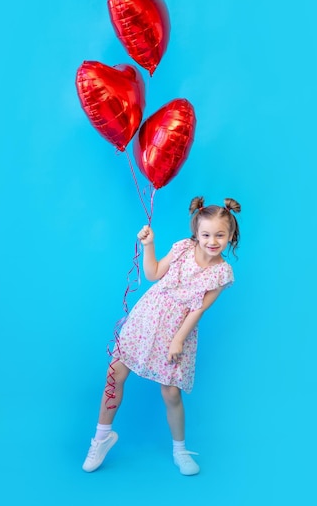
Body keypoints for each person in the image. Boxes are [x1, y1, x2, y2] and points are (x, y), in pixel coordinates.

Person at [82, 195, 241, 476]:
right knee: (115, 372)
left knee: (170, 392)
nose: (212, 241)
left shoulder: (221, 273)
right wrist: (148, 245)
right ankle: (101, 436)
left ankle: (180, 450)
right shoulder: (182, 248)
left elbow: (199, 310)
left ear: (230, 236)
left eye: (220, 235)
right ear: (196, 233)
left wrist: (178, 339)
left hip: (178, 328)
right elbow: (153, 273)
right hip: (147, 317)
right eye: (206, 234)